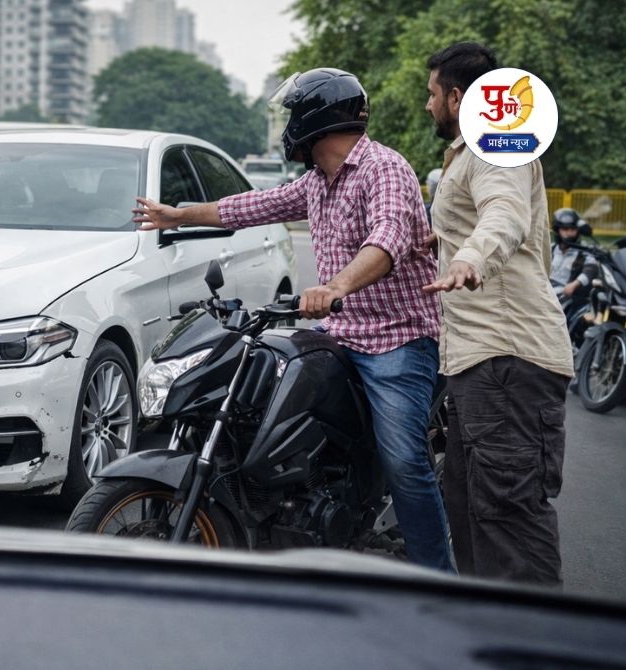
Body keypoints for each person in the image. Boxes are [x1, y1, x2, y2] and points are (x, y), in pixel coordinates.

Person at [133, 68, 453, 572]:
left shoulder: (383, 169)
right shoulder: (316, 182)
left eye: (292, 114)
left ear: (315, 119)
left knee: (404, 461)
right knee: (261, 390)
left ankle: (439, 579)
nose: (287, 126)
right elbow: (250, 206)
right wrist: (178, 216)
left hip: (397, 341)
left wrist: (335, 287)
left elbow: (387, 239)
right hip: (339, 332)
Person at [422, 42, 572, 585]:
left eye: (432, 94)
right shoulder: (472, 153)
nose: (428, 105)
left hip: (506, 360)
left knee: (508, 520)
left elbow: (504, 215)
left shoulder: (495, 145)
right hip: (482, 363)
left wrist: (468, 258)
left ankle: (532, 646)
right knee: (472, 515)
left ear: (457, 96)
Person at [549, 208, 598, 336]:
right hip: (546, 290)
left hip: (568, 295)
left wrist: (575, 283)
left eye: (572, 229)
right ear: (558, 231)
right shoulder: (551, 248)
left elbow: (591, 269)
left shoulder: (584, 251)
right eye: (565, 230)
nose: (569, 233)